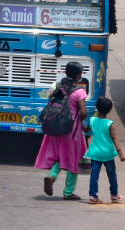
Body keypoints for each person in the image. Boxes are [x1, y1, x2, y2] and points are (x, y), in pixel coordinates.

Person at [36, 60, 89, 200]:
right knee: (72, 158)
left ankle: (52, 175)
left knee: (59, 155)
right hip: (71, 129)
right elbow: (83, 113)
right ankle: (68, 192)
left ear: (66, 72)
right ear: (79, 75)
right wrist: (81, 118)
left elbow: (50, 100)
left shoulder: (56, 86)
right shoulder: (80, 91)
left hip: (55, 126)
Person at [84, 96, 125, 205]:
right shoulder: (109, 124)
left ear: (97, 108)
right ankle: (114, 196)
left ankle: (93, 196)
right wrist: (120, 153)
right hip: (108, 153)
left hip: (95, 153)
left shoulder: (92, 120)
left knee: (94, 175)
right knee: (112, 175)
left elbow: (86, 129)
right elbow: (115, 139)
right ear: (109, 110)